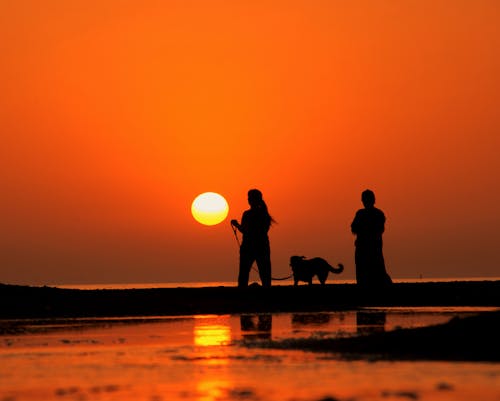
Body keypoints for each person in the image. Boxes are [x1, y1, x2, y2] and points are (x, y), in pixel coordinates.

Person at [231, 189, 274, 288]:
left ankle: (243, 295)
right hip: (262, 246)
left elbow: (246, 231)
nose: (248, 200)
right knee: (265, 273)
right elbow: (263, 231)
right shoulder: (265, 214)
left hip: (248, 247)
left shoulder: (248, 214)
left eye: (249, 198)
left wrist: (236, 224)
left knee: (244, 273)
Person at [351, 189, 392, 287]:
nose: (364, 202)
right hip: (363, 249)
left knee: (378, 272)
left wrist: (365, 229)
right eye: (363, 200)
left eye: (365, 199)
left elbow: (379, 230)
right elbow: (353, 228)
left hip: (373, 249)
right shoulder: (361, 213)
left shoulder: (378, 214)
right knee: (362, 273)